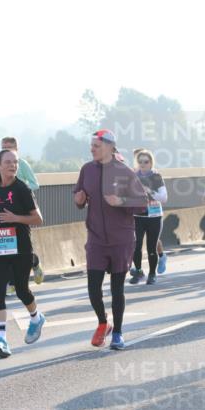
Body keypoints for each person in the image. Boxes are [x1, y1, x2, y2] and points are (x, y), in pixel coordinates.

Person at [73, 129, 149, 350]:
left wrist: (121, 201)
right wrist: (78, 200)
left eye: (96, 146)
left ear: (109, 147)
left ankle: (117, 333)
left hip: (121, 239)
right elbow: (79, 195)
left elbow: (142, 202)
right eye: (91, 145)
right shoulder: (87, 170)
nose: (92, 149)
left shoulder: (124, 172)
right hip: (96, 238)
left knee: (117, 290)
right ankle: (103, 322)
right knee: (93, 287)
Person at [0, 149, 46, 358]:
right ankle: (2, 339)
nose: (12, 166)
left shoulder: (21, 188)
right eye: (7, 162)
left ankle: (36, 317)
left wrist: (16, 217)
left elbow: (38, 219)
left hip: (21, 247)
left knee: (22, 290)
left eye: (15, 162)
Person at [1, 137, 45, 284]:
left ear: (17, 149)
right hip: (6, 209)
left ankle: (34, 262)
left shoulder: (22, 164)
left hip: (22, 209)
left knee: (21, 245)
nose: (6, 150)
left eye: (10, 148)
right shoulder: (0, 164)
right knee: (7, 244)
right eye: (3, 148)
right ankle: (11, 281)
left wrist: (21, 192)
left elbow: (35, 184)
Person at [129, 149, 167, 285]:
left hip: (154, 216)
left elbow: (164, 198)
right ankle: (138, 271)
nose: (143, 164)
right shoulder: (133, 176)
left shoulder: (156, 176)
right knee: (136, 246)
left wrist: (150, 191)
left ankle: (152, 274)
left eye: (146, 161)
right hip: (138, 216)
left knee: (152, 247)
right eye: (140, 162)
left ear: (151, 162)